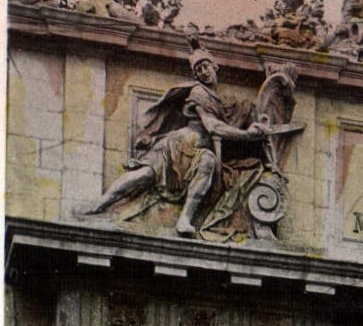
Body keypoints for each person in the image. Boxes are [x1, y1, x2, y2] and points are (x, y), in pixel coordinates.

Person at [79, 49, 267, 236]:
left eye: (206, 66)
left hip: (199, 151)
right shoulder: (198, 92)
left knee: (208, 161)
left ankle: (185, 219)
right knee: (143, 175)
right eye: (199, 69)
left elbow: (230, 119)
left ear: (215, 66)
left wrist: (256, 127)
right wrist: (247, 135)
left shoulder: (218, 100)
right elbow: (212, 127)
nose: (203, 71)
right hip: (177, 146)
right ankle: (100, 203)